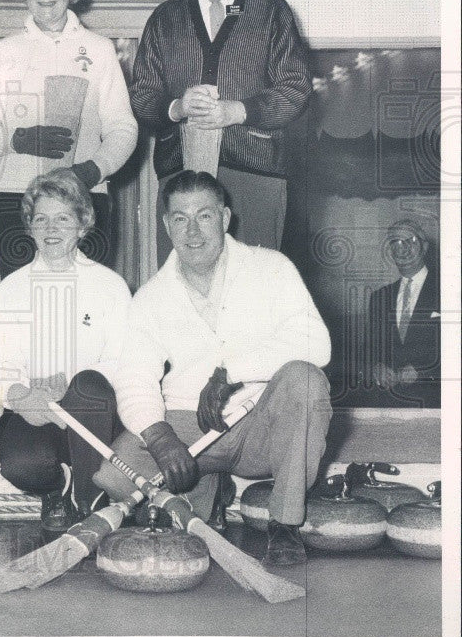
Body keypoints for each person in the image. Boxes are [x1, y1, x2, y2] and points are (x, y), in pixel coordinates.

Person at [97, 170, 332, 566]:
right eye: (180, 218)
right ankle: (209, 485)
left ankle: (285, 523)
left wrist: (231, 371)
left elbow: (317, 344)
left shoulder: (271, 267)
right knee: (116, 477)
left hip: (264, 425)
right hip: (194, 427)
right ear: (167, 224)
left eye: (204, 216)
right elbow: (134, 375)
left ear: (224, 219)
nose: (193, 231)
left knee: (306, 380)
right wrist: (158, 436)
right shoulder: (150, 298)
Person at [130, 0, 311, 262]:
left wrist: (240, 111)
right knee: (185, 287)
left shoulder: (271, 9)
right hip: (181, 176)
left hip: (254, 175)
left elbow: (296, 88)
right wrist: (175, 107)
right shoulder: (165, 17)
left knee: (254, 286)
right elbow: (141, 95)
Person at [0, 0, 137, 279]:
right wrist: (17, 140)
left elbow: (124, 129)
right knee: (23, 298)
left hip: (84, 195)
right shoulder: (5, 51)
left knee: (85, 296)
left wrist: (90, 171)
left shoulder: (99, 49)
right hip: (13, 195)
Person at [0, 169, 130, 534]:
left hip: (96, 415)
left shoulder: (110, 286)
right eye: (41, 219)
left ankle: (90, 502)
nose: (51, 229)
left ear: (83, 225)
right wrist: (20, 395)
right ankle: (57, 490)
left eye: (63, 219)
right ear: (30, 227)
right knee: (20, 465)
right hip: (38, 410)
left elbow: (122, 361)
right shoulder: (11, 288)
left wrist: (68, 391)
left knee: (88, 384)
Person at [366, 218, 440, 408]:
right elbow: (368, 349)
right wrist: (376, 367)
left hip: (436, 401)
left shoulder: (448, 289)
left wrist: (423, 371)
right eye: (396, 242)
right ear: (391, 251)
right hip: (387, 402)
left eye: (412, 241)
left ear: (424, 247)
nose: (404, 247)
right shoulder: (379, 297)